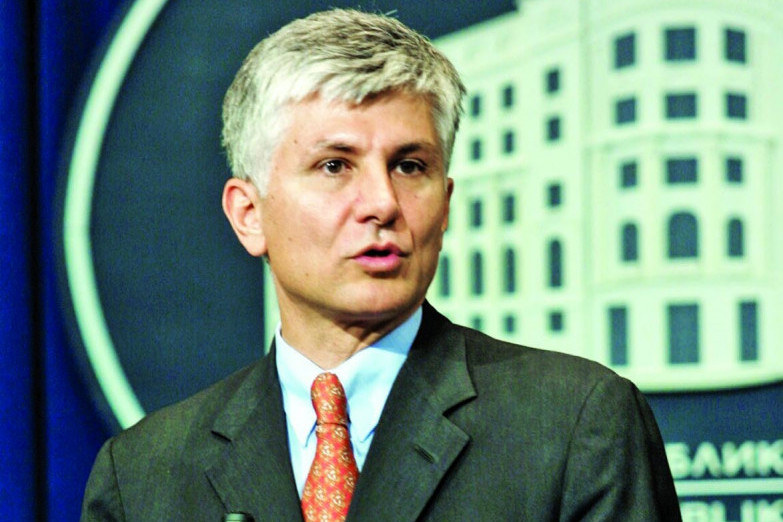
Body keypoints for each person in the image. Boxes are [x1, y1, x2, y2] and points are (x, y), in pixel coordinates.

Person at [81, 8, 682, 521]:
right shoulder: (143, 476)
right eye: (335, 165)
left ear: (445, 205)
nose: (383, 203)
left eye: (410, 165)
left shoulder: (575, 425)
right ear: (249, 214)